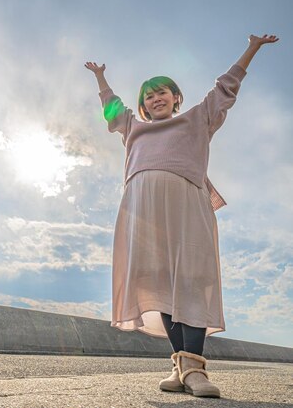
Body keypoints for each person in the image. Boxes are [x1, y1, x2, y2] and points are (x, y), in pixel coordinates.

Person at [85, 34, 279, 398]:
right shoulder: (133, 128)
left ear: (176, 98)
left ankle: (194, 371)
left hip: (186, 207)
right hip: (142, 214)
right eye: (149, 95)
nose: (155, 98)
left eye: (163, 92)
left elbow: (226, 88)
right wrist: (100, 77)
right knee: (162, 287)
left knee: (189, 280)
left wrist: (252, 48)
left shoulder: (197, 119)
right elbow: (111, 107)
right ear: (143, 105)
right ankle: (184, 368)